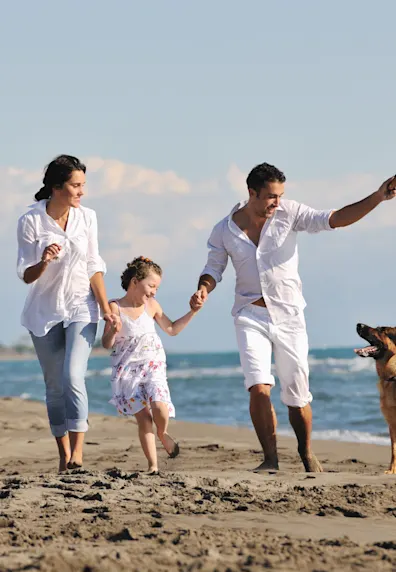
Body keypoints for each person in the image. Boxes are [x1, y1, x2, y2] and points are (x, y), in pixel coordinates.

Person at [190, 162, 396, 473]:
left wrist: (378, 196)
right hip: (250, 314)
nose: (277, 202)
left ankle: (306, 452)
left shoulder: (290, 213)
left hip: (289, 316)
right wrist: (203, 289)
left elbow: (336, 219)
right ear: (252, 193)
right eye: (271, 196)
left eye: (280, 195)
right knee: (258, 385)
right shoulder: (225, 229)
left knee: (297, 395)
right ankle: (270, 459)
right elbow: (213, 267)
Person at [17, 154, 118, 473]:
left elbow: (93, 264)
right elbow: (25, 274)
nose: (81, 192)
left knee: (73, 376)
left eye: (83, 185)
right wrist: (44, 260)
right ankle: (63, 455)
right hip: (44, 312)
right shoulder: (31, 220)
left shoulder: (87, 217)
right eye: (76, 186)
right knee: (54, 385)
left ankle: (78, 455)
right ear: (56, 187)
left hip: (80, 305)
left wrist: (104, 307)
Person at [102, 256, 202, 475]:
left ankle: (163, 432)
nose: (154, 291)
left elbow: (172, 329)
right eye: (152, 285)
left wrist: (193, 311)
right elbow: (106, 343)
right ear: (135, 281)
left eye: (157, 287)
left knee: (159, 405)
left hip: (153, 366)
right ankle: (153, 466)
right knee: (145, 419)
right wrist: (113, 329)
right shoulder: (115, 306)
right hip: (127, 372)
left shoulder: (152, 305)